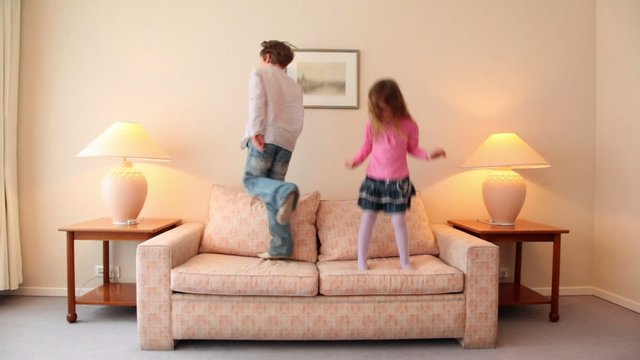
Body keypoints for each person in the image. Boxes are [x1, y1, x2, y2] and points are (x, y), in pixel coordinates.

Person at [346, 79, 446, 270]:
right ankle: (361, 261)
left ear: (395, 104)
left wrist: (428, 155)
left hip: (398, 181)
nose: (381, 114)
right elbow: (366, 148)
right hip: (374, 180)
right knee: (368, 218)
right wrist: (355, 161)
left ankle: (405, 262)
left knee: (398, 220)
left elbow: (413, 148)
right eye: (377, 110)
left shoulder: (409, 125)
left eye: (384, 109)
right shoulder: (372, 125)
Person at [241, 40, 304, 260]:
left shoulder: (260, 73)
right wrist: (290, 140)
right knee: (272, 196)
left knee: (252, 181)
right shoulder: (294, 85)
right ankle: (280, 248)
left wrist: (257, 131)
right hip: (286, 142)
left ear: (267, 57)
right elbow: (299, 118)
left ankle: (286, 191)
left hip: (265, 137)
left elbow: (256, 101)